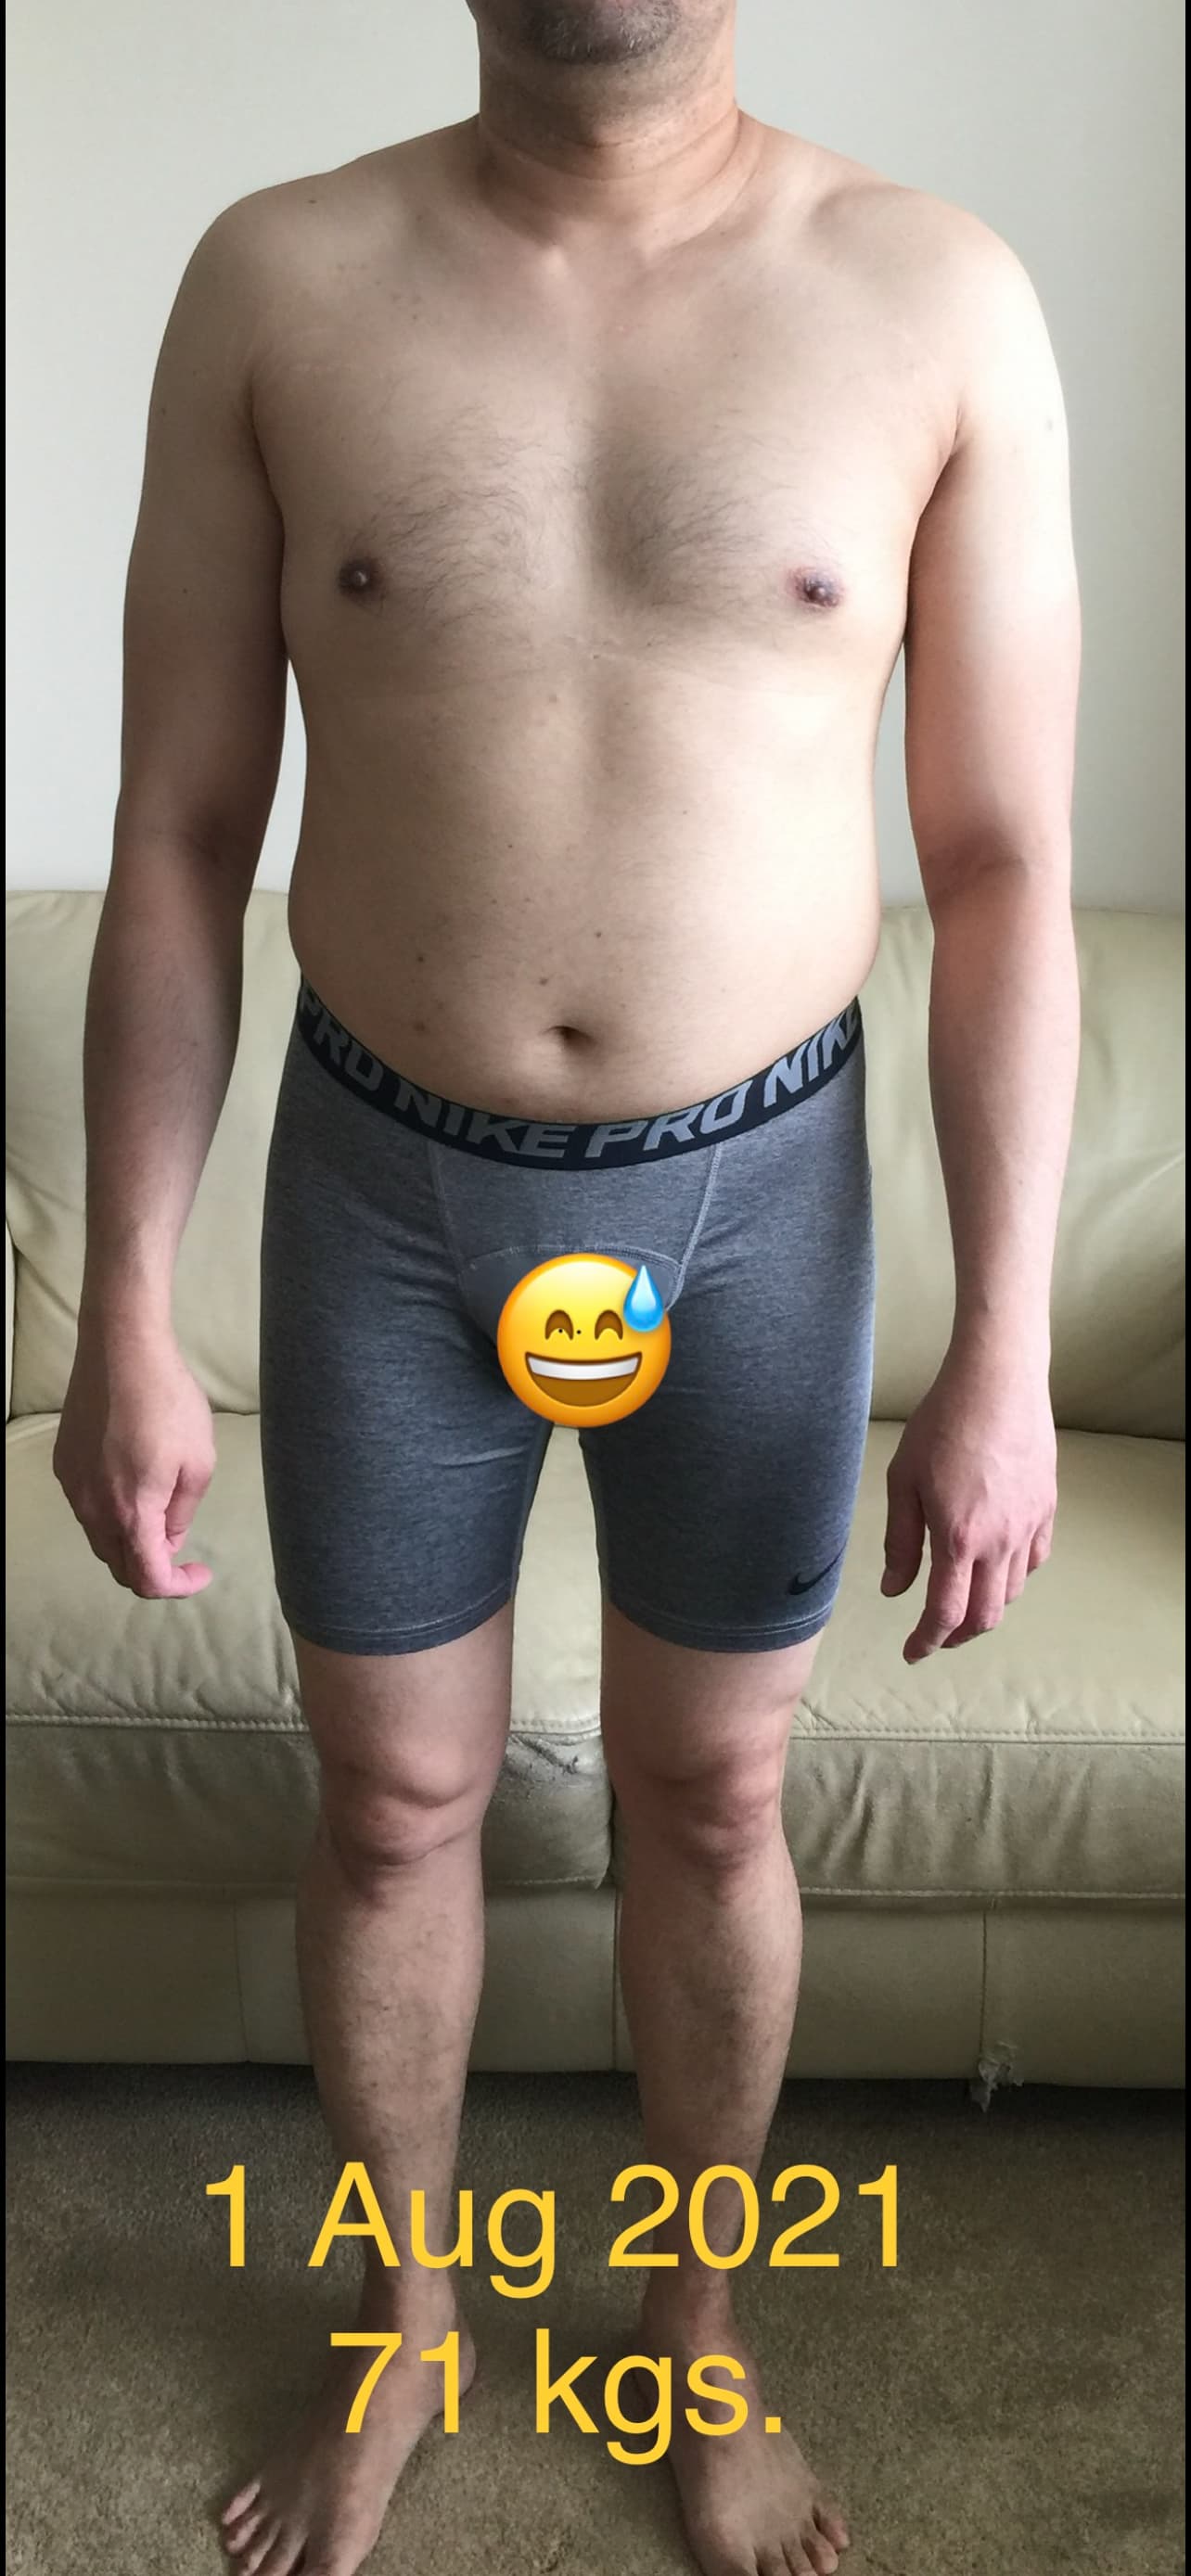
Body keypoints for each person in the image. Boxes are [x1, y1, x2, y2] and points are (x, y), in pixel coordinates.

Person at [51, 2, 1082, 2570]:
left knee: (712, 1792)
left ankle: (695, 2329)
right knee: (393, 1800)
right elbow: (177, 833)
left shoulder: (931, 291)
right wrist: (122, 1299)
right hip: (386, 1192)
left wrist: (1009, 1347)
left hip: (761, 1196)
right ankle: (405, 2318)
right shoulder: (281, 278)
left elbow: (998, 869)